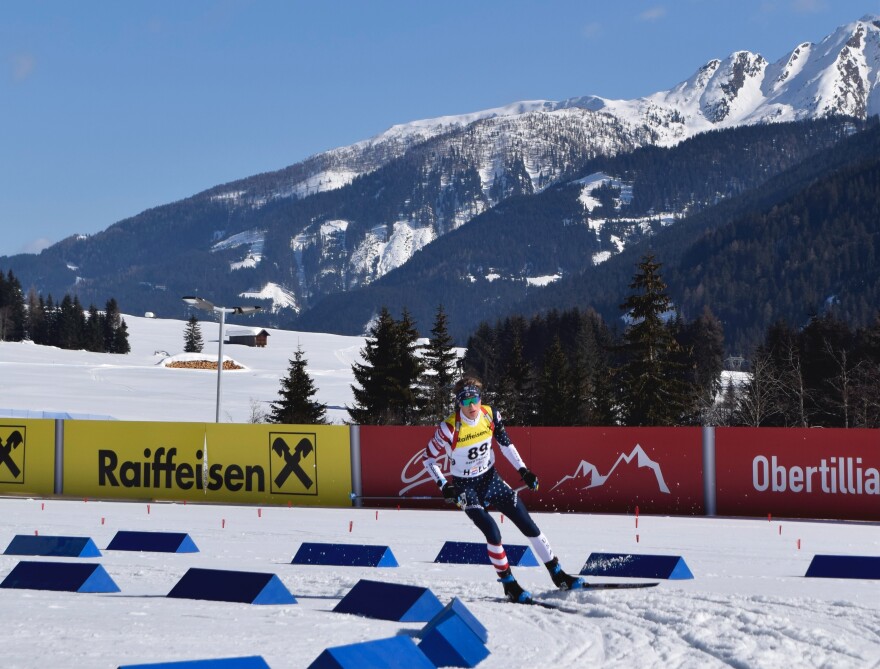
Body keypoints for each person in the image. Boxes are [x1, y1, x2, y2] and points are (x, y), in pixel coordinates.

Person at [421, 376, 585, 603]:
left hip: (491, 479)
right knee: (493, 532)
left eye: (475, 399)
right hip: (465, 487)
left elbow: (506, 444)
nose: (471, 406)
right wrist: (444, 486)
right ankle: (509, 585)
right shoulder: (449, 428)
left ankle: (559, 575)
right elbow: (428, 459)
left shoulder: (490, 415)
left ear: (480, 399)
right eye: (465, 401)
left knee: (528, 524)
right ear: (458, 403)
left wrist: (524, 471)